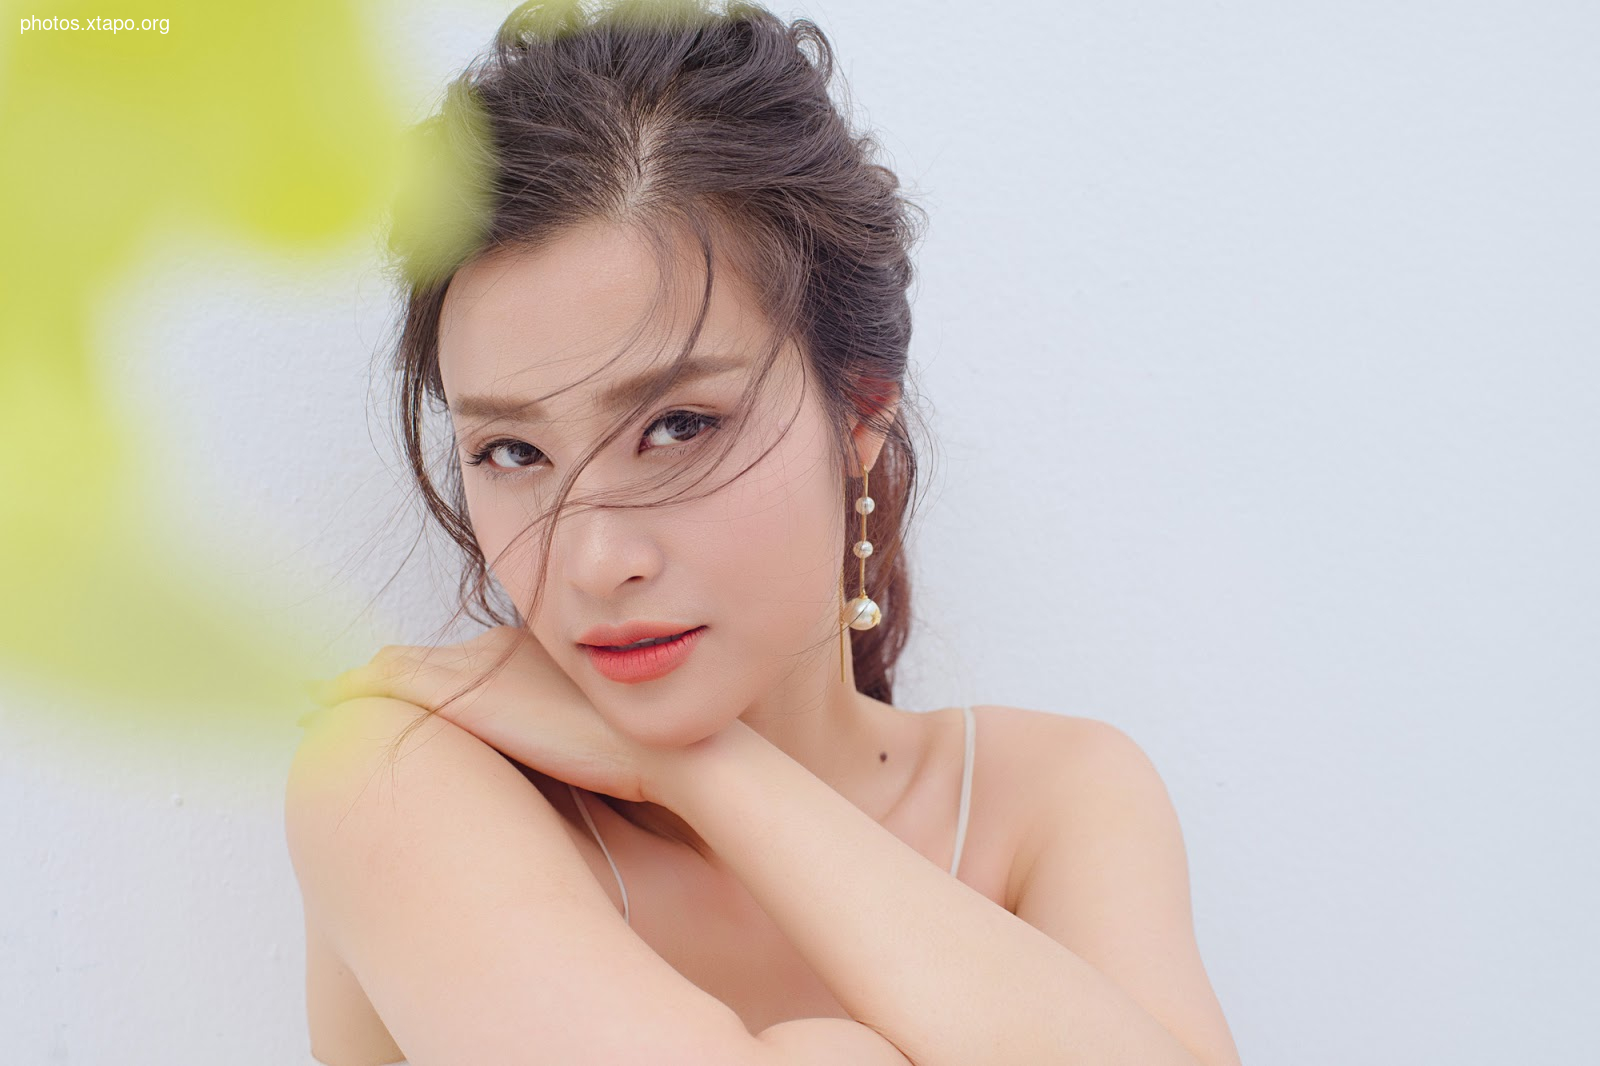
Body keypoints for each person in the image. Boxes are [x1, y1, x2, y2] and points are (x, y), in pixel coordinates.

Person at [285, 2, 1243, 1064]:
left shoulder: (1054, 796)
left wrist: (709, 771)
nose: (596, 563)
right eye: (511, 452)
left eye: (677, 426)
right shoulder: (396, 770)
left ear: (860, 414)